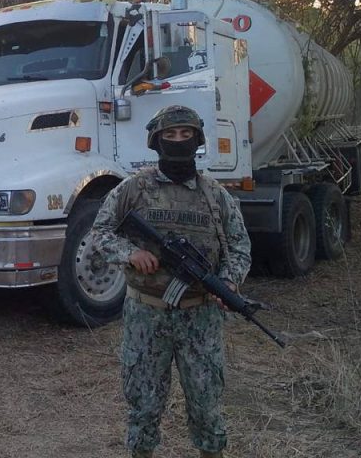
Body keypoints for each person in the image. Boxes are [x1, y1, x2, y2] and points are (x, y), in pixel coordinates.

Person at [90, 105, 251, 458]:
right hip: (146, 315)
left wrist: (229, 283)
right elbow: (100, 232)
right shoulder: (133, 189)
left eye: (185, 135)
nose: (178, 141)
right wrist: (129, 252)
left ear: (197, 140)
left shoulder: (216, 196)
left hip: (200, 315)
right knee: (144, 407)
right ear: (156, 141)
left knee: (207, 407)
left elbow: (239, 246)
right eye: (170, 135)